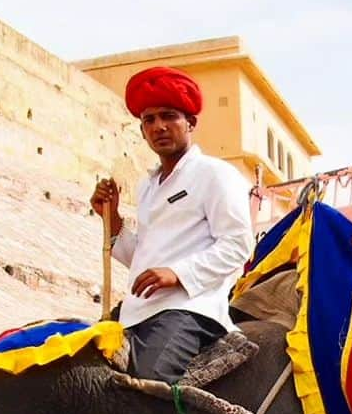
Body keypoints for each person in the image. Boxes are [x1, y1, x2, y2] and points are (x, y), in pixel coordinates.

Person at [91, 66, 254, 384]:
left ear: (190, 123)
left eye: (169, 116)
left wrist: (178, 274)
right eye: (149, 120)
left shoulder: (214, 174)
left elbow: (238, 244)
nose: (159, 127)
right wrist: (111, 220)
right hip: (137, 312)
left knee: (148, 382)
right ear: (141, 131)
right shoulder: (148, 187)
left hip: (190, 309)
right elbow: (143, 257)